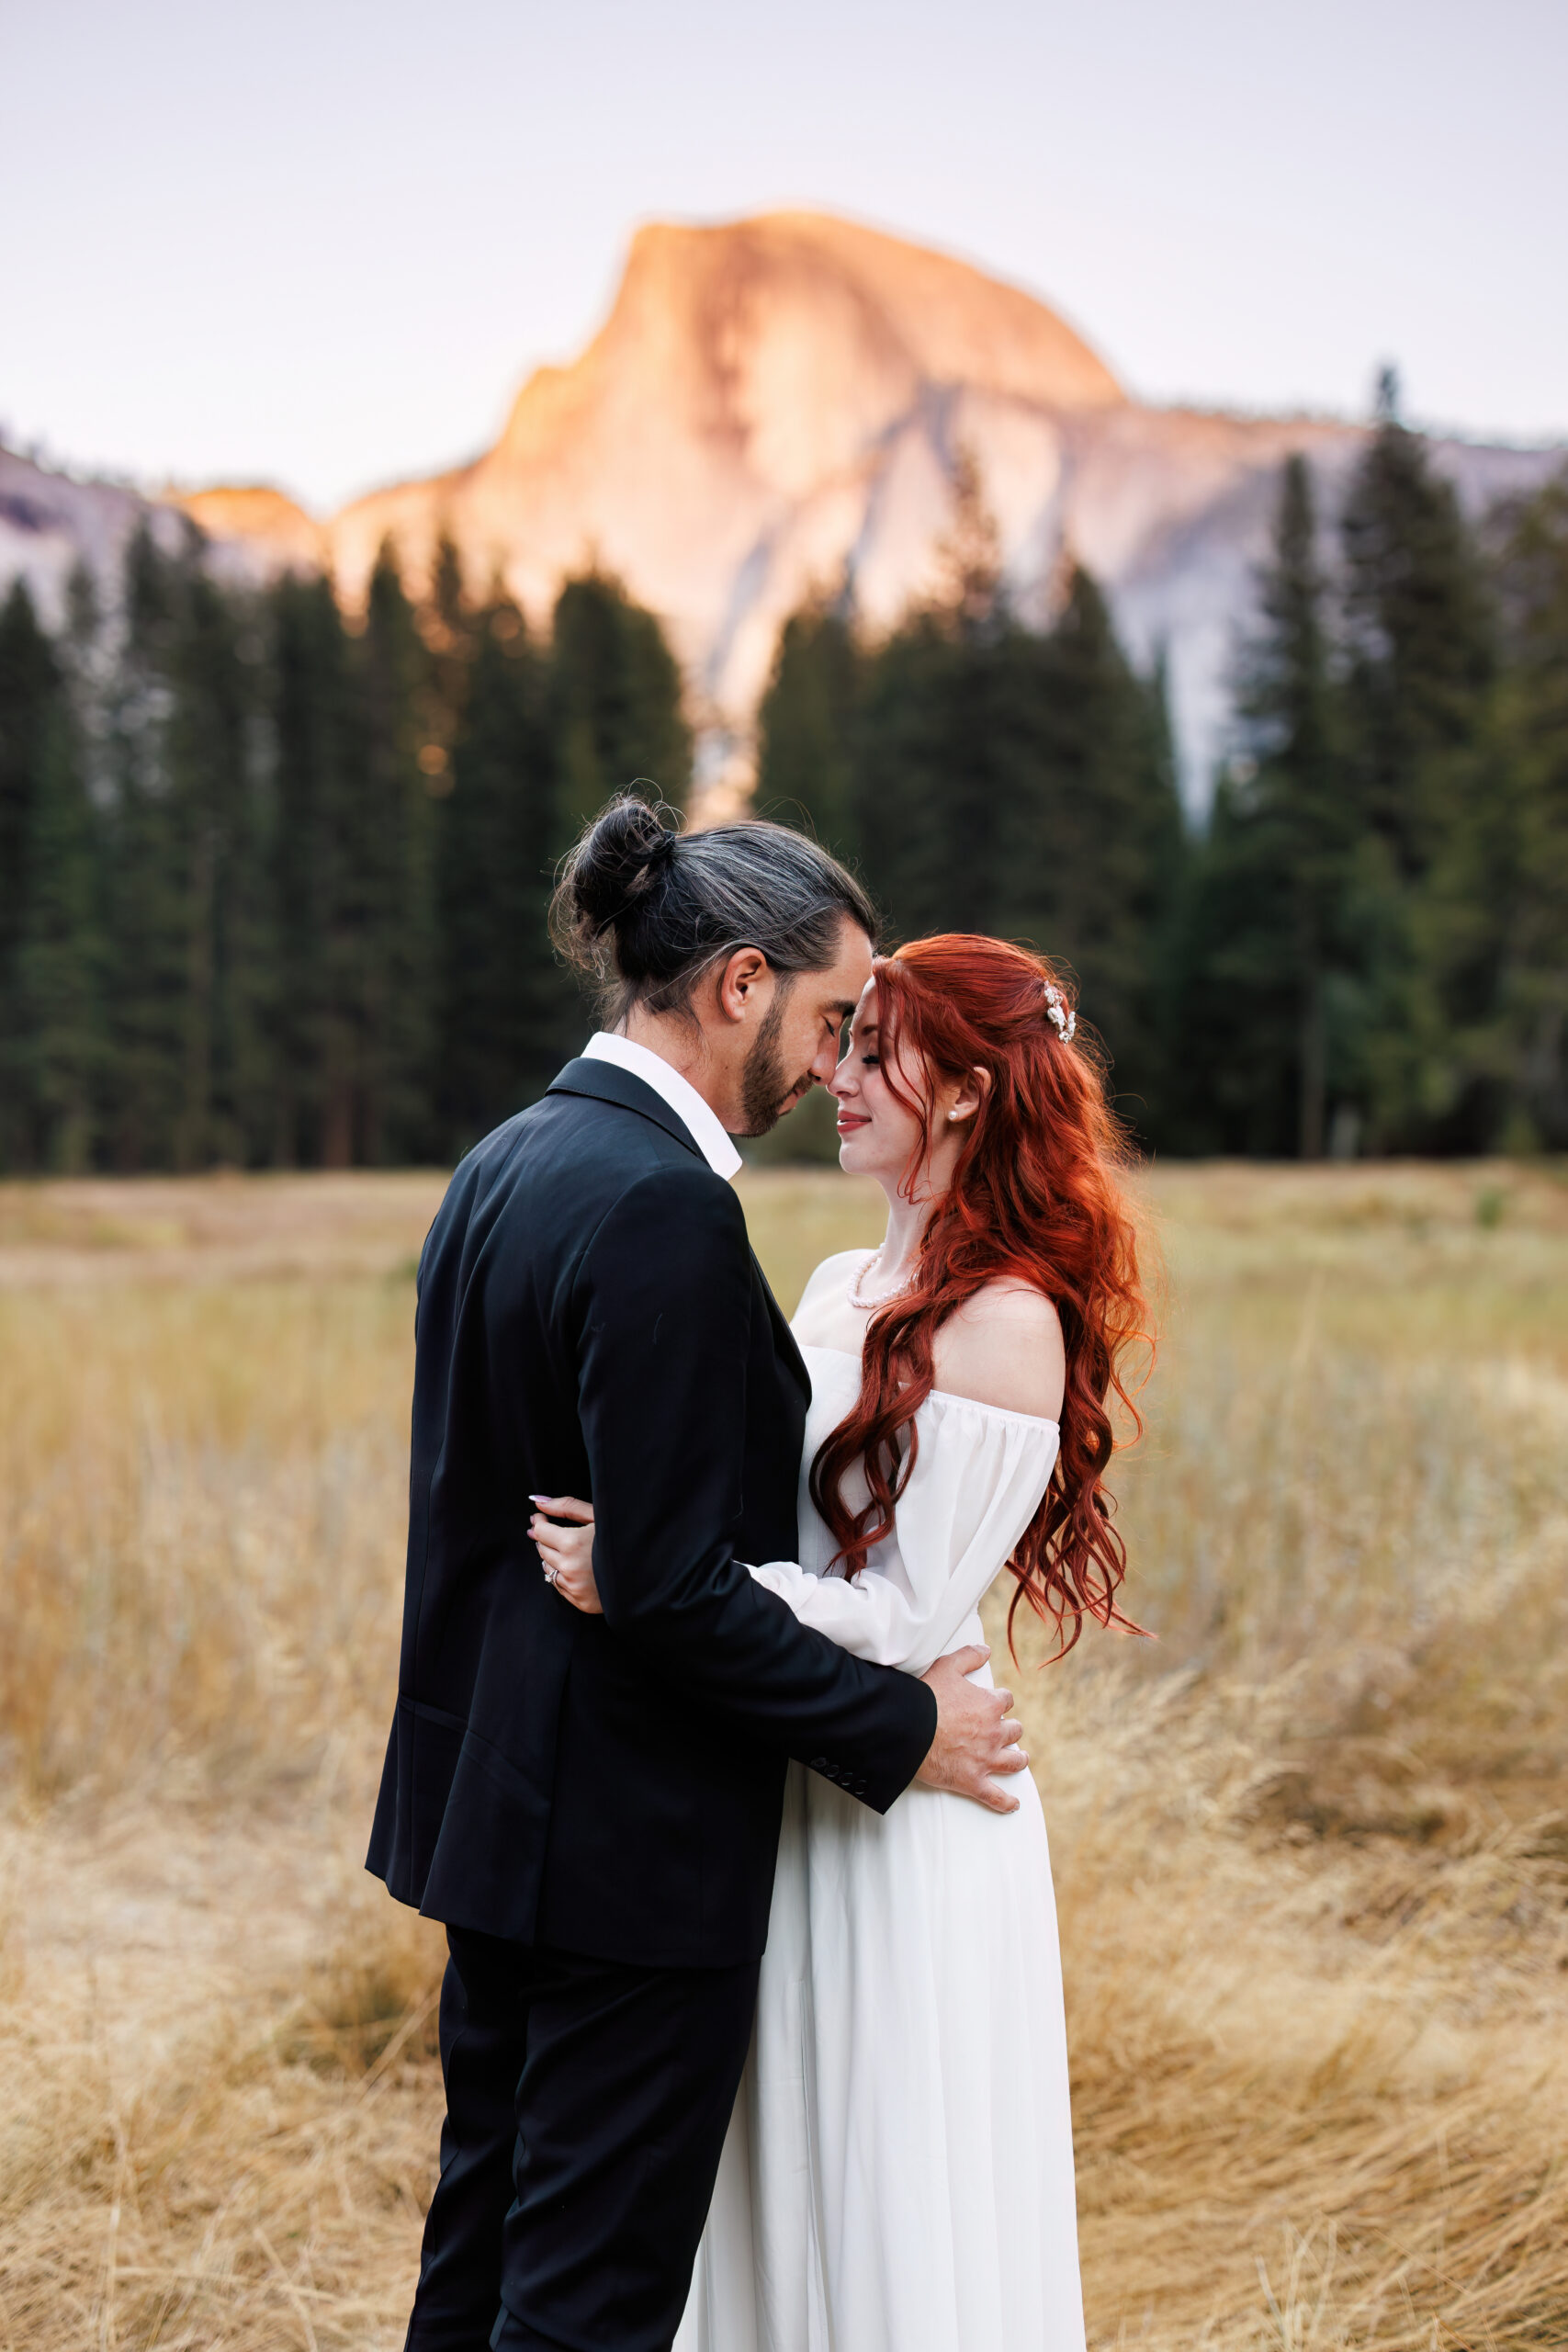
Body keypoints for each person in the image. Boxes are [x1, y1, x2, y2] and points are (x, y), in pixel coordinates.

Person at [366, 799, 1028, 2352]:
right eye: (828, 1015)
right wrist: (901, 1731)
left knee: (479, 2258)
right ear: (739, 985)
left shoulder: (506, 1162)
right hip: (630, 1852)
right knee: (587, 2306)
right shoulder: (664, 1203)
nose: (833, 1057)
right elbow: (663, 1585)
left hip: (496, 1818)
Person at [534, 932, 1151, 2352]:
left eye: (877, 1049)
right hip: (779, 1776)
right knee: (761, 2185)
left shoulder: (1005, 1323)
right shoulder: (825, 1283)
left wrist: (651, 1577)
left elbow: (901, 1620)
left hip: (907, 1812)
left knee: (881, 2196)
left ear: (970, 1093)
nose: (839, 1074)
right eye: (842, 1039)